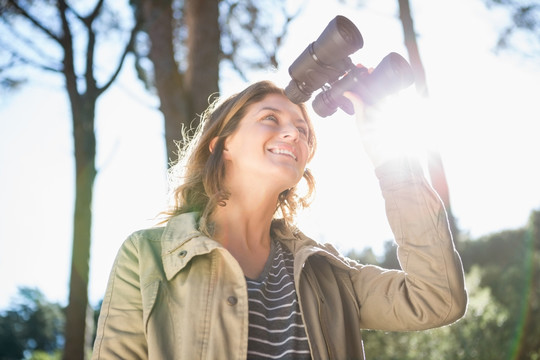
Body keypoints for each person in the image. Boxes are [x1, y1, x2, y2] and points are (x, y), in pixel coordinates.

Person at [91, 80, 467, 359]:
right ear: (224, 145)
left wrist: (392, 161)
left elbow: (437, 298)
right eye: (270, 118)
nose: (292, 133)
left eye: (302, 131)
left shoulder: (327, 274)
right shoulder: (146, 256)